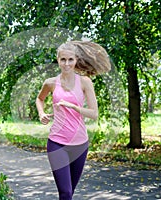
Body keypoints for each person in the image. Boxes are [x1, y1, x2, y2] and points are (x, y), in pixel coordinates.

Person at [35, 40, 111, 200]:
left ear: (76, 60)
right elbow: (39, 99)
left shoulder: (85, 82)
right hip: (57, 143)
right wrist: (41, 113)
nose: (67, 63)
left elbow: (94, 114)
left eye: (70, 59)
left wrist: (74, 107)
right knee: (66, 192)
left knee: (70, 193)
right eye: (63, 59)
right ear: (58, 60)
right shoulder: (50, 83)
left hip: (80, 145)